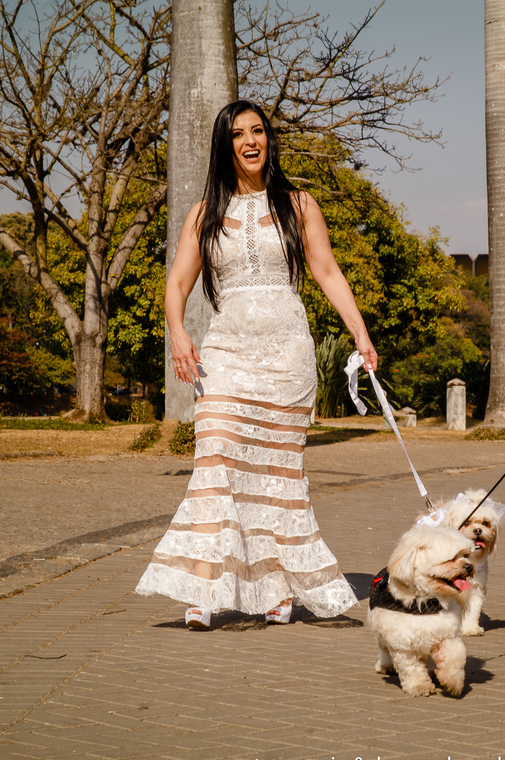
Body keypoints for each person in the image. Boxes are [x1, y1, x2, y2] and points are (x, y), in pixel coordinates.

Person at [135, 100, 377, 630]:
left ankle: (277, 586)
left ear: (269, 139)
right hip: (225, 352)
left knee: (277, 474)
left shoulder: (298, 204)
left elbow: (327, 272)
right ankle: (204, 588)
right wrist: (178, 334)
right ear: (225, 145)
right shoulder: (203, 213)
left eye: (258, 131)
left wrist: (360, 332)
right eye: (238, 134)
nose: (250, 141)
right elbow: (177, 284)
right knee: (215, 456)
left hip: (287, 355)